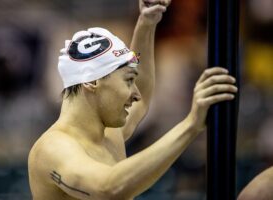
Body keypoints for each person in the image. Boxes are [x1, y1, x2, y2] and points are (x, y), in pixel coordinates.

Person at [28, 0, 238, 199]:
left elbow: (143, 95)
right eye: (128, 81)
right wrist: (191, 125)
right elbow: (109, 189)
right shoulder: (53, 149)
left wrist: (147, 22)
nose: (135, 93)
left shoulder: (110, 135)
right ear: (92, 82)